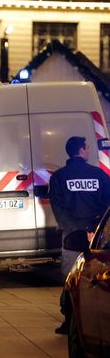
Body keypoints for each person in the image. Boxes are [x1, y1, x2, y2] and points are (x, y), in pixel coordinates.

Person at [49, 136, 110, 334]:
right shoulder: (99, 175)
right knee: (97, 276)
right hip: (97, 235)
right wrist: (95, 229)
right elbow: (107, 203)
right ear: (82, 150)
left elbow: (58, 207)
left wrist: (76, 228)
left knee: (71, 277)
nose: (89, 150)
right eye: (87, 147)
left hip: (72, 234)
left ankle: (70, 320)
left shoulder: (58, 177)